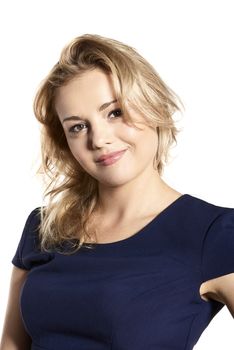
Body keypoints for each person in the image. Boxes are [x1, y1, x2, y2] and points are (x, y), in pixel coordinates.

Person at [0, 34, 234, 350]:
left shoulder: (215, 233)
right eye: (77, 127)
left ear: (153, 105)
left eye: (114, 112)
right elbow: (12, 344)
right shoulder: (43, 227)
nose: (99, 139)